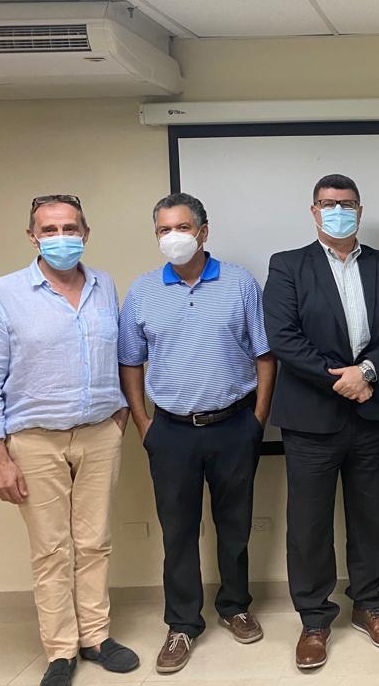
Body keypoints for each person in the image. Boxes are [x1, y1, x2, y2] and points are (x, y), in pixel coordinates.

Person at [0, 195, 138, 686]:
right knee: (51, 549)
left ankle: (96, 637)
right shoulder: (2, 294)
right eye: (49, 229)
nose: (61, 237)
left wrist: (120, 414)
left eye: (70, 228)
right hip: (34, 440)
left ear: (85, 233)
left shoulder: (104, 286)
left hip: (99, 434)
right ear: (32, 237)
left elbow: (117, 354)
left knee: (94, 543)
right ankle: (61, 650)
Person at [118, 193, 276, 675]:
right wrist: (144, 424)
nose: (174, 237)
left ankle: (235, 606)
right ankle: (182, 624)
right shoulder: (142, 291)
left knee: (235, 525)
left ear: (203, 231)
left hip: (234, 425)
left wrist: (258, 419)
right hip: (170, 431)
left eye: (182, 227)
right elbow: (130, 362)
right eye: (164, 230)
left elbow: (265, 355)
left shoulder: (240, 283)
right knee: (178, 532)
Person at [263, 174, 379, 670]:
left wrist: (366, 372)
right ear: (314, 211)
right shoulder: (287, 265)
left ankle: (370, 605)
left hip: (372, 411)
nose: (338, 211)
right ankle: (314, 620)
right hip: (311, 417)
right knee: (308, 524)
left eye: (347, 204)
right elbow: (283, 337)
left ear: (360, 210)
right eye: (328, 204)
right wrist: (341, 380)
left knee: (371, 517)